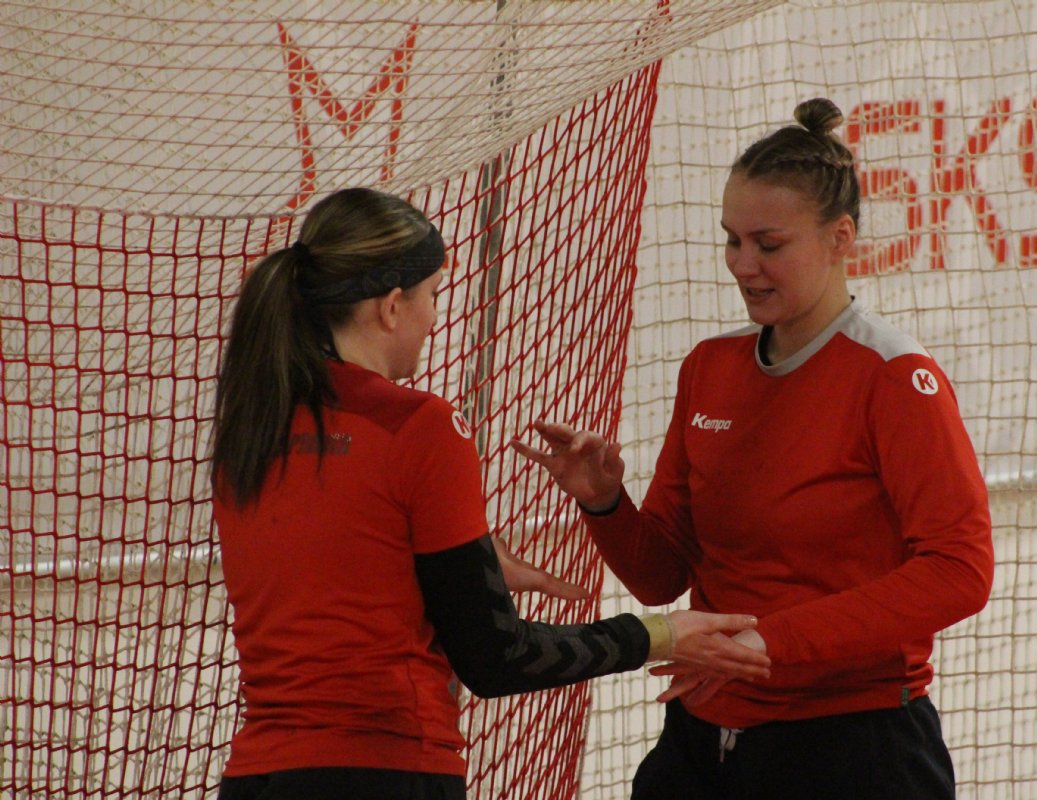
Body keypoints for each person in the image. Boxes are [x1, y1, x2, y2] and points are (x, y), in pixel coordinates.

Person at [208, 187, 772, 800]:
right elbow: (496, 657)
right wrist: (660, 634)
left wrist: (461, 568)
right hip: (384, 769)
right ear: (392, 307)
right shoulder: (419, 426)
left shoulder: (252, 426)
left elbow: (332, 569)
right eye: (432, 296)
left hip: (254, 776)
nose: (433, 319)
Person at [513, 98, 994, 799]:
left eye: (769, 245)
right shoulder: (710, 367)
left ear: (841, 237)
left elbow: (960, 572)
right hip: (701, 740)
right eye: (732, 241)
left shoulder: (894, 377)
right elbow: (661, 576)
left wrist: (771, 641)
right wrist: (605, 503)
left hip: (853, 745)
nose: (743, 265)